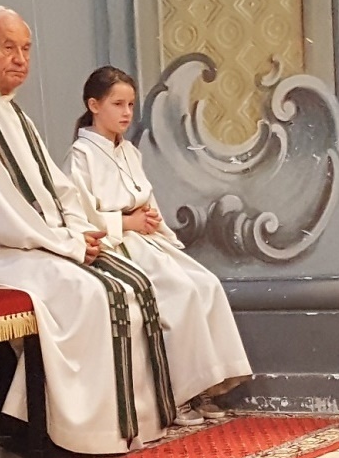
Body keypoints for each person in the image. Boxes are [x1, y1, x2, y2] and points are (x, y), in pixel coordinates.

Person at [0, 6, 206, 456]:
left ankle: (115, 421)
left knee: (128, 284)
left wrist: (80, 231)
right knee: (86, 292)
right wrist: (63, 242)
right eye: (9, 48)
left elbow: (54, 186)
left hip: (20, 241)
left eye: (26, 49)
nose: (20, 59)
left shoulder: (10, 111)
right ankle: (61, 428)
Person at [63, 66, 252, 424]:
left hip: (146, 240)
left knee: (206, 284)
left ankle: (206, 385)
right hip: (117, 247)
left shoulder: (129, 152)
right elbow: (77, 215)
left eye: (131, 105)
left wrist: (154, 224)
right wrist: (125, 223)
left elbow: (145, 200)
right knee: (180, 293)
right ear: (94, 105)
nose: (126, 113)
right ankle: (177, 395)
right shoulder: (81, 156)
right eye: (117, 104)